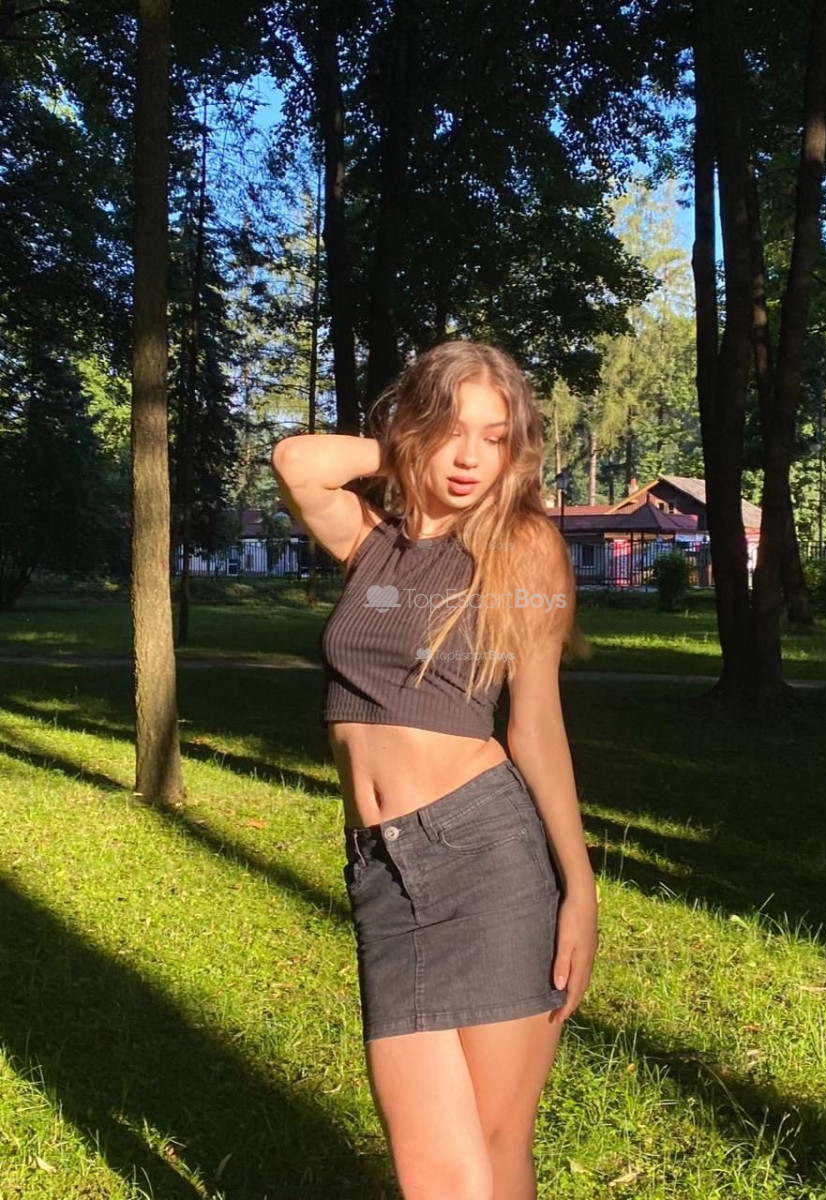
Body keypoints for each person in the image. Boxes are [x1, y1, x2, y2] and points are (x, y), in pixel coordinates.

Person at [271, 340, 598, 1199]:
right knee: (430, 1168)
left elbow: (537, 725)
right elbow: (297, 461)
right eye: (451, 431)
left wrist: (580, 887)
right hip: (382, 868)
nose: (469, 458)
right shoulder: (370, 544)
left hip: (484, 854)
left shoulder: (523, 547)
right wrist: (407, 451)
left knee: (494, 1142)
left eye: (493, 438)